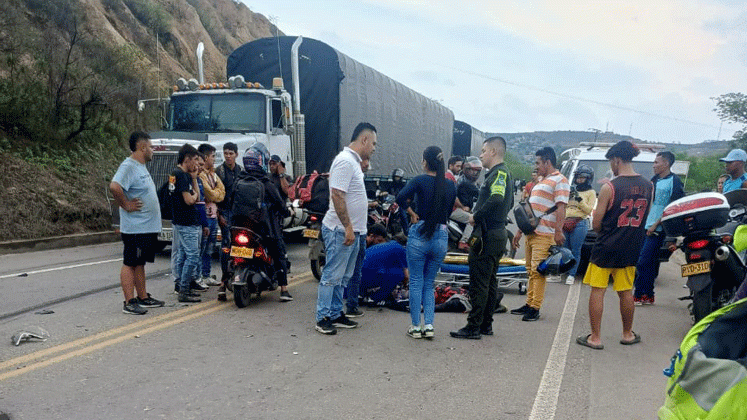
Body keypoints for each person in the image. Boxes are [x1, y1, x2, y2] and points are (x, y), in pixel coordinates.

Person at [576, 141, 652, 350]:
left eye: (611, 162)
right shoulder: (648, 186)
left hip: (606, 247)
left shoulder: (610, 187)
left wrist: (604, 230)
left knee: (598, 290)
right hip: (631, 247)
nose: (611, 166)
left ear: (616, 159)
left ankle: (596, 337)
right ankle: (627, 334)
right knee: (626, 291)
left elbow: (597, 221)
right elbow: (645, 216)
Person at [315, 122, 377, 335]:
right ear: (364, 140)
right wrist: (348, 227)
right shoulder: (344, 162)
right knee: (332, 275)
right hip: (340, 230)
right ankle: (322, 317)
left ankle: (335, 313)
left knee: (343, 277)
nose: (374, 148)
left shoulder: (353, 162)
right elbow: (337, 195)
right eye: (374, 143)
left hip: (354, 231)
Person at [451, 136, 513, 339]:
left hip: (488, 234)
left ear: (494, 152)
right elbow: (509, 202)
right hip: (496, 232)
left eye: (484, 151)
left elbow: (497, 198)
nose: (481, 155)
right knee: (490, 280)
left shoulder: (499, 174)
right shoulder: (502, 174)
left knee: (479, 282)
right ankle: (486, 324)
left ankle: (473, 326)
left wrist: (476, 216)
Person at [396, 146, 457, 339]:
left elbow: (400, 198)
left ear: (424, 162)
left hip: (420, 234)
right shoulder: (449, 185)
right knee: (429, 284)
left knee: (415, 282)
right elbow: (447, 211)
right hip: (440, 236)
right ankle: (429, 325)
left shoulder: (419, 181)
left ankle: (415, 327)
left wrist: (413, 214)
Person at [511, 147, 569, 322]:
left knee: (538, 272)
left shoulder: (560, 180)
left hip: (545, 234)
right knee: (530, 271)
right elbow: (531, 209)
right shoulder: (541, 181)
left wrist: (558, 231)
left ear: (547, 162)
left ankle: (535, 307)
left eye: (538, 163)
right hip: (531, 233)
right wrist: (520, 231)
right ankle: (529, 303)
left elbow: (561, 207)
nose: (536, 167)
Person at [109, 132, 165, 315]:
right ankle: (129, 302)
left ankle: (143, 297)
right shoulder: (128, 166)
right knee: (130, 262)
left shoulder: (140, 166)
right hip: (135, 228)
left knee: (140, 262)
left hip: (146, 227)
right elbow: (114, 186)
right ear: (142, 147)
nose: (153, 150)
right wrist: (125, 204)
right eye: (151, 147)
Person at [232, 144, 293, 301]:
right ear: (262, 161)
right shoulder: (266, 183)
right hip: (264, 228)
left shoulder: (238, 180)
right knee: (279, 251)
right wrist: (287, 212)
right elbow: (280, 204)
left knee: (228, 249)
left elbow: (228, 201)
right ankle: (284, 290)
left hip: (239, 225)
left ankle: (222, 284)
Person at [633, 151, 685, 305]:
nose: (654, 165)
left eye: (656, 162)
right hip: (645, 225)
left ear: (666, 164)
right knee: (648, 262)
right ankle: (648, 295)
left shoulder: (674, 181)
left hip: (659, 229)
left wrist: (656, 224)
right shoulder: (654, 180)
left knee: (643, 262)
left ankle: (638, 294)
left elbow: (674, 207)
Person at [170, 144, 202, 303]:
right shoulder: (181, 175)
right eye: (195, 160)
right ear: (187, 159)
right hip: (186, 222)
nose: (196, 164)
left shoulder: (176, 175)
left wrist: (195, 178)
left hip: (180, 221)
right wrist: (194, 194)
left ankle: (184, 286)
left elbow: (199, 197)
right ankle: (183, 289)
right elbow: (190, 199)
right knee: (193, 256)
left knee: (183, 255)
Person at [344, 157, 373, 317]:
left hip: (360, 232)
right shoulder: (350, 174)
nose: (367, 164)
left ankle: (352, 306)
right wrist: (349, 228)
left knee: (356, 272)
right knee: (345, 272)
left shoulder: (360, 178)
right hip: (351, 231)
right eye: (365, 160)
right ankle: (333, 311)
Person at [216, 142, 242, 301]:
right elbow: (215, 195)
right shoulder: (219, 172)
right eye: (225, 153)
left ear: (236, 155)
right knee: (226, 247)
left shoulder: (241, 171)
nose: (228, 156)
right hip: (225, 212)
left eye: (231, 153)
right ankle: (223, 282)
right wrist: (219, 214)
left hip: (239, 213)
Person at [562, 164, 596, 285]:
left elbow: (588, 210)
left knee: (576, 250)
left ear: (588, 178)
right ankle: (564, 271)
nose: (579, 180)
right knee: (564, 249)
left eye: (582, 178)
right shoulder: (572, 190)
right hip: (566, 221)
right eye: (578, 177)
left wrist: (579, 200)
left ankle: (572, 274)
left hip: (580, 222)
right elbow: (564, 206)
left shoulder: (591, 192)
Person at [359, 224, 409, 304]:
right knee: (399, 274)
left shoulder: (379, 247)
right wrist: (405, 286)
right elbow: (406, 276)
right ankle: (377, 298)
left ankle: (365, 294)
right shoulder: (400, 248)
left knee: (387, 270)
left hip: (357, 278)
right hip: (366, 276)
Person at [197, 143, 225, 287]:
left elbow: (222, 192)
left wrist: (215, 195)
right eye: (213, 156)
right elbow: (208, 193)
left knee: (210, 248)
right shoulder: (201, 175)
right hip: (205, 217)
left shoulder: (213, 174)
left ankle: (207, 275)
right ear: (206, 157)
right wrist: (215, 195)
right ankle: (199, 276)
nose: (214, 159)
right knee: (201, 248)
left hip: (214, 216)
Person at [450, 156, 482, 251]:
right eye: (472, 170)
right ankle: (464, 242)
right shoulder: (463, 182)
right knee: (473, 220)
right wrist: (463, 206)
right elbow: (479, 193)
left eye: (476, 171)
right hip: (454, 209)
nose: (474, 173)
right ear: (466, 169)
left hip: (457, 208)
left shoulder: (464, 180)